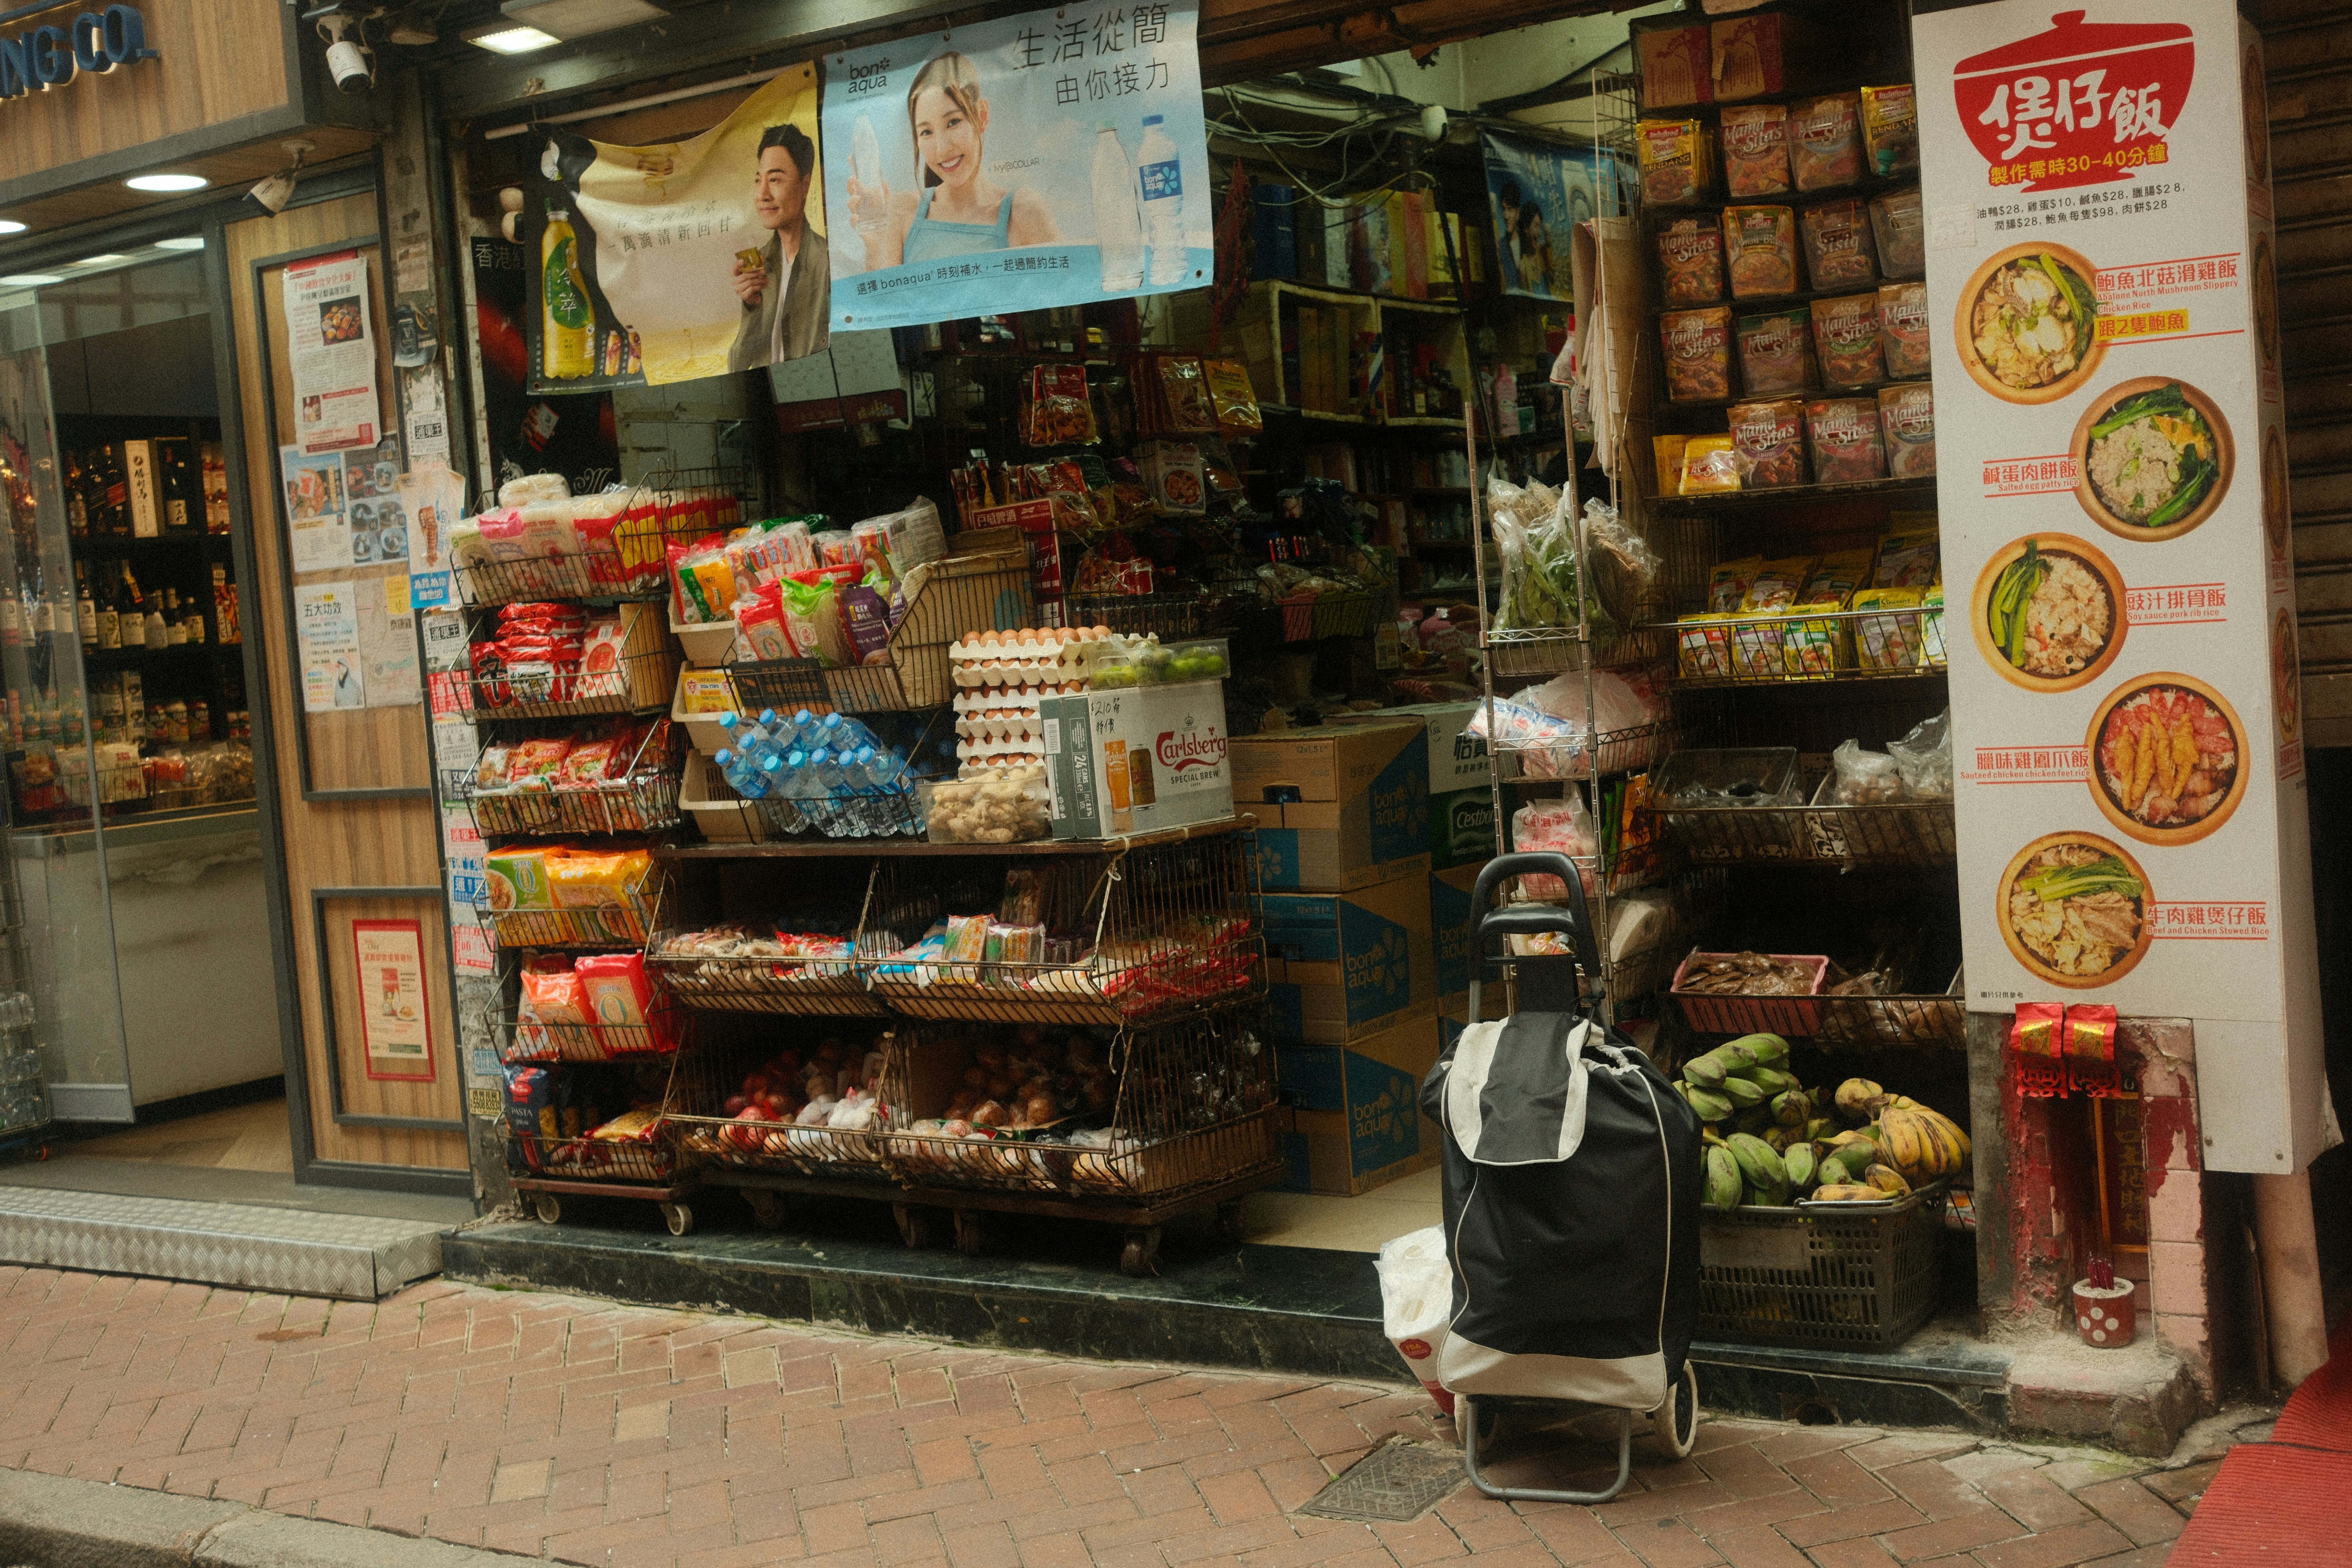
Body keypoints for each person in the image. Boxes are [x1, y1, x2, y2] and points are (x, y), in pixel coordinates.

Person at [843, 52, 1060, 270]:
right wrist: (876, 240)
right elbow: (885, 303)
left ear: (982, 116)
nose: (942, 149)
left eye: (953, 122)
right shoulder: (902, 210)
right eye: (926, 132)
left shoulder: (1022, 210)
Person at [726, 123, 832, 371]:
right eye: (758, 180)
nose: (762, 194)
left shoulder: (827, 261)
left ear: (805, 185)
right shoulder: (760, 263)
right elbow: (737, 366)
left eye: (775, 179)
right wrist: (752, 307)